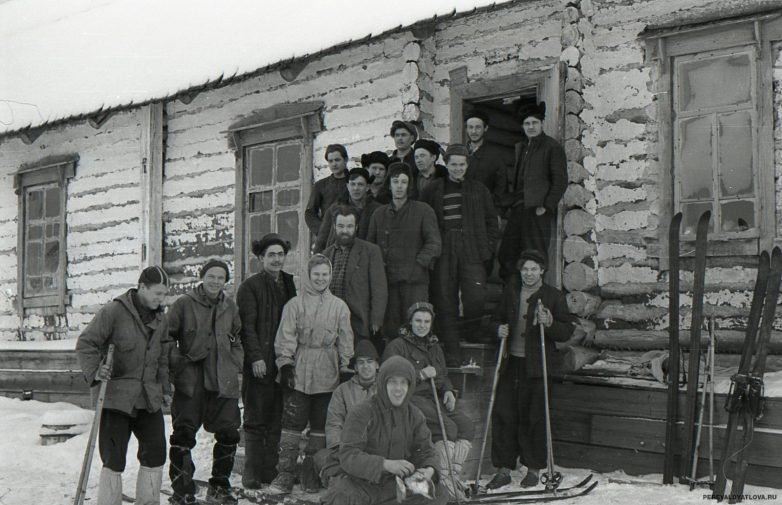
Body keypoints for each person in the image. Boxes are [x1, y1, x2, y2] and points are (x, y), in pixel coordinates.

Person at [75, 266, 171, 505]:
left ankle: (148, 502)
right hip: (116, 396)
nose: (161, 299)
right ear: (141, 288)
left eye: (164, 294)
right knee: (114, 457)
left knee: (156, 451)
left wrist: (166, 389)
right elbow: (87, 343)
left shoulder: (160, 319)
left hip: (148, 396)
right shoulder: (114, 311)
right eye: (157, 293)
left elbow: (162, 358)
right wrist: (96, 370)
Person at [487, 249, 577, 489]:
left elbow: (566, 330)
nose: (529, 273)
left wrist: (549, 323)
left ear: (542, 271)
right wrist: (498, 329)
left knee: (534, 417)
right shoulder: (511, 292)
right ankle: (504, 469)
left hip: (537, 367)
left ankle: (534, 469)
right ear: (521, 270)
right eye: (525, 269)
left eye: (534, 269)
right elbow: (495, 319)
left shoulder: (553, 296)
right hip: (511, 363)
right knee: (504, 414)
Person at [270, 254, 355, 494]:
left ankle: (310, 475)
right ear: (308, 276)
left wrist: (345, 366)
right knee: (292, 423)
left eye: (324, 274)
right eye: (316, 274)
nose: (320, 279)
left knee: (320, 425)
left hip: (327, 371)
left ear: (330, 276)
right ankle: (285, 474)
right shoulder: (295, 305)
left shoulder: (339, 306)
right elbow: (285, 336)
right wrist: (285, 364)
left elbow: (345, 340)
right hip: (300, 368)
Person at [321, 356, 448, 505]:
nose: (398, 389)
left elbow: (427, 451)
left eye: (403, 383)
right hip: (361, 483)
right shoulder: (362, 412)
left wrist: (429, 470)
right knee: (342, 493)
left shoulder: (415, 415)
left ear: (410, 386)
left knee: (438, 492)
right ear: (382, 384)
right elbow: (349, 456)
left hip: (394, 484)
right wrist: (386, 464)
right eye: (392, 382)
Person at [166, 259, 243, 505]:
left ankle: (220, 486)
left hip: (223, 378)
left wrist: (236, 362)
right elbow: (166, 338)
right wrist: (179, 364)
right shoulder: (184, 304)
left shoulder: (230, 307)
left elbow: (237, 338)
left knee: (229, 432)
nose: (215, 282)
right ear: (202, 276)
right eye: (211, 276)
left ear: (225, 281)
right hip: (192, 379)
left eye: (220, 278)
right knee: (184, 434)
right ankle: (182, 491)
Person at [382, 302, 475, 500]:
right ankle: (442, 478)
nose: (422, 325)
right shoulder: (397, 346)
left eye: (426, 321)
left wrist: (449, 390)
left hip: (435, 399)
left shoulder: (434, 346)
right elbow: (391, 376)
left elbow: (443, 374)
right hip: (411, 398)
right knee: (448, 429)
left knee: (466, 427)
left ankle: (452, 475)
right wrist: (421, 374)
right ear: (410, 322)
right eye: (418, 321)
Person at [421, 143, 499, 365]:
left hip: (472, 248)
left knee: (475, 296)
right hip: (444, 248)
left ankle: (472, 334)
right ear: (446, 164)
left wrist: (488, 246)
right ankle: (452, 346)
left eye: (461, 165)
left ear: (467, 165)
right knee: (445, 297)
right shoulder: (432, 189)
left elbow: (492, 221)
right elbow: (424, 221)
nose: (457, 169)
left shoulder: (479, 189)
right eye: (453, 164)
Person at [236, 234, 297, 487]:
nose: (276, 259)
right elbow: (246, 327)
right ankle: (251, 472)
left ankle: (269, 471)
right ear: (260, 258)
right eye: (271, 255)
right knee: (255, 417)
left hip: (281, 361)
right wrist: (255, 358)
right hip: (260, 363)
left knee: (275, 418)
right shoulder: (250, 287)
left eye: (280, 254)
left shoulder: (289, 283)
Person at [367, 162, 441, 339]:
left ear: (409, 185)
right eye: (395, 181)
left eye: (403, 182)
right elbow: (371, 247)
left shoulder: (423, 211)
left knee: (417, 327)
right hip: (388, 283)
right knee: (391, 329)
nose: (399, 186)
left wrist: (417, 265)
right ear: (389, 185)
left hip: (414, 283)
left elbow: (434, 243)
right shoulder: (379, 214)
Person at [496, 102, 567, 278]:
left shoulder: (551, 146)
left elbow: (560, 180)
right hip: (519, 209)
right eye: (527, 123)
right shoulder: (522, 147)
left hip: (537, 211)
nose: (531, 127)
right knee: (507, 254)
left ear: (542, 124)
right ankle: (513, 298)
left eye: (534, 123)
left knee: (535, 257)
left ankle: (535, 301)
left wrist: (547, 206)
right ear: (523, 126)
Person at [313, 339, 380, 487]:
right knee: (321, 457)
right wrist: (339, 448)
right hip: (349, 450)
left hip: (377, 450)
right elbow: (334, 422)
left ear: (377, 365)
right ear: (355, 367)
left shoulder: (385, 390)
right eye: (361, 363)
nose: (366, 366)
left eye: (370, 362)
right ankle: (345, 479)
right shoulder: (343, 390)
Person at [323, 205, 388, 349]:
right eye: (340, 226)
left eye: (349, 226)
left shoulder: (370, 251)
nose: (345, 231)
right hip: (331, 322)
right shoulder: (326, 255)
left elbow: (379, 288)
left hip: (358, 321)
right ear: (334, 226)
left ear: (356, 227)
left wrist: (376, 320)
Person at [313, 167, 382, 253]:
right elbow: (322, 240)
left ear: (367, 187)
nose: (356, 188)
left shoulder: (377, 210)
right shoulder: (335, 209)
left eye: (360, 184)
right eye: (352, 184)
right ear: (347, 186)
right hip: (338, 257)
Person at [305, 144, 350, 236]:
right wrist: (322, 231)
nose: (334, 164)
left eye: (337, 160)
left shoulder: (354, 182)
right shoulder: (320, 185)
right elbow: (310, 213)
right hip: (330, 235)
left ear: (345, 160)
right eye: (330, 161)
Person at [464, 109, 506, 197]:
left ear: (485, 128)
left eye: (478, 127)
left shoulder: (495, 155)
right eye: (470, 127)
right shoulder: (460, 152)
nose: (474, 131)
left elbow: (501, 189)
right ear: (466, 129)